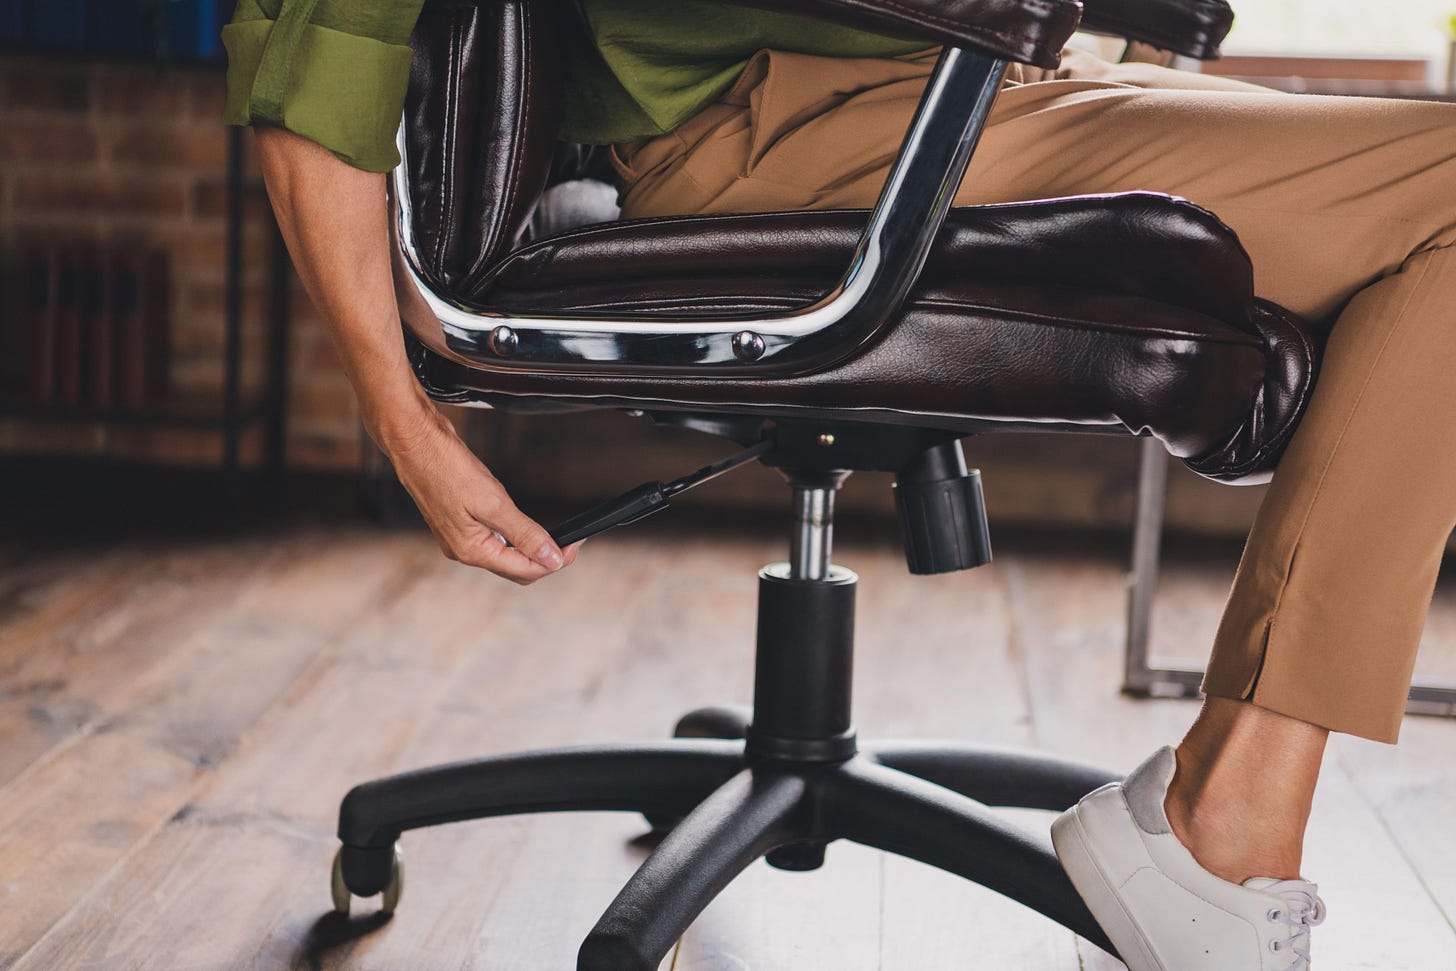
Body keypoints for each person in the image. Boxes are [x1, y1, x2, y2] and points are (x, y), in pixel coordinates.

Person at [223, 2, 1456, 968]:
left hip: (984, 78)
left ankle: (1221, 807)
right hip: (792, 129)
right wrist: (399, 410)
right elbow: (317, 69)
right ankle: (1224, 826)